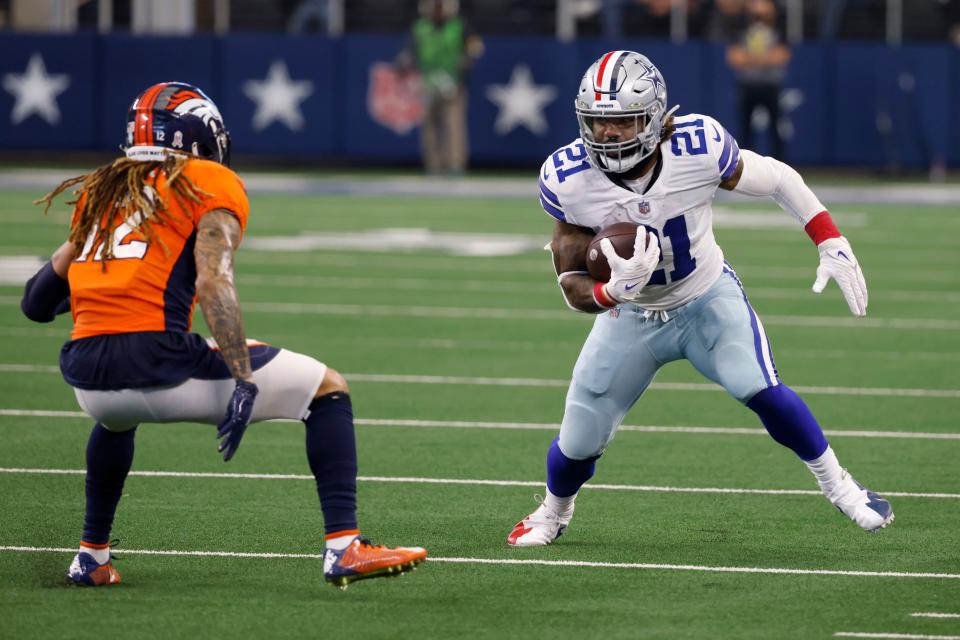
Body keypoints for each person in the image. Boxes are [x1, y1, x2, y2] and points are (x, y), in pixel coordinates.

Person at [21, 81, 427, 588]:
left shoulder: (106, 190)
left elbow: (35, 304)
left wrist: (96, 285)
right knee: (327, 388)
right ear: (199, 135)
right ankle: (344, 548)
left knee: (115, 422)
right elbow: (214, 284)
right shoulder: (208, 180)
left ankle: (91, 558)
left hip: (87, 380)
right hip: (157, 363)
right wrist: (242, 377)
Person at [508, 51, 891, 547]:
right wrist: (610, 291)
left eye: (622, 121)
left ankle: (842, 487)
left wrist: (828, 238)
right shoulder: (569, 178)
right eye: (599, 122)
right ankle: (553, 512)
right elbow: (570, 281)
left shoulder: (698, 145)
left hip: (706, 296)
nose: (607, 134)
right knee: (579, 436)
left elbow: (776, 177)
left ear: (653, 116)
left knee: (761, 388)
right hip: (632, 314)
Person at [397, 0, 483, 175]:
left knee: (454, 124)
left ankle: (455, 165)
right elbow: (410, 50)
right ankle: (434, 165)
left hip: (453, 82)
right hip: (428, 82)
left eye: (440, 5)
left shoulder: (459, 25)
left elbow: (476, 46)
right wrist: (405, 61)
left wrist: (468, 59)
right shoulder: (420, 26)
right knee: (429, 126)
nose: (437, 9)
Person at [726, 0, 790, 160]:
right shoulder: (741, 30)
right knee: (745, 129)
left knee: (775, 129)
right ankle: (745, 164)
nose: (759, 13)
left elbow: (781, 56)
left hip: (770, 86)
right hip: (748, 86)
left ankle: (780, 163)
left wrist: (750, 59)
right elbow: (734, 57)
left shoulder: (779, 30)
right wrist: (764, 58)